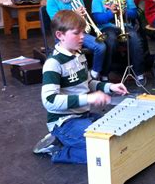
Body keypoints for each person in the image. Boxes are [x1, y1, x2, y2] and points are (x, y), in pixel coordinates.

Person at [33, 10, 128, 164]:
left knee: (118, 139)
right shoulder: (53, 63)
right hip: (64, 122)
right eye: (76, 33)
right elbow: (49, 101)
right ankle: (58, 151)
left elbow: (89, 83)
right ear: (60, 35)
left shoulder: (79, 55)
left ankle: (64, 141)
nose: (82, 36)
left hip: (84, 116)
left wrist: (110, 87)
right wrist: (88, 98)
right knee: (103, 153)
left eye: (83, 32)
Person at [46, 0, 107, 81]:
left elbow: (83, 23)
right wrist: (74, 13)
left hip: (80, 34)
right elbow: (56, 21)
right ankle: (74, 77)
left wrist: (82, 17)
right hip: (63, 36)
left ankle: (94, 73)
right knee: (72, 51)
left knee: (101, 46)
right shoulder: (52, 0)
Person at [91, 0, 146, 85]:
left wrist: (123, 11)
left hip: (125, 25)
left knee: (135, 38)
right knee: (110, 40)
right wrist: (110, 12)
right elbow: (98, 19)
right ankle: (105, 74)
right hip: (106, 27)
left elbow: (134, 13)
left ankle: (139, 73)